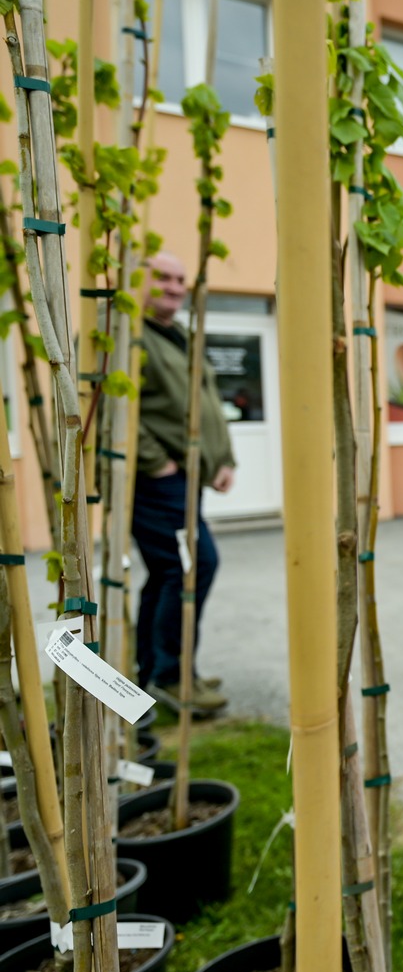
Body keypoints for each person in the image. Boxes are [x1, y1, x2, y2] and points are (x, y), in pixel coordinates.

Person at [132, 250, 234, 715]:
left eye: (180, 279)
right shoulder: (128, 335)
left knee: (167, 572)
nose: (175, 287)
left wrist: (223, 458)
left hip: (184, 478)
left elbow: (206, 401)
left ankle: (153, 671)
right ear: (138, 279)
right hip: (155, 483)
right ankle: (172, 677)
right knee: (191, 565)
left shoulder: (177, 334)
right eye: (164, 278)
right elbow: (115, 407)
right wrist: (157, 464)